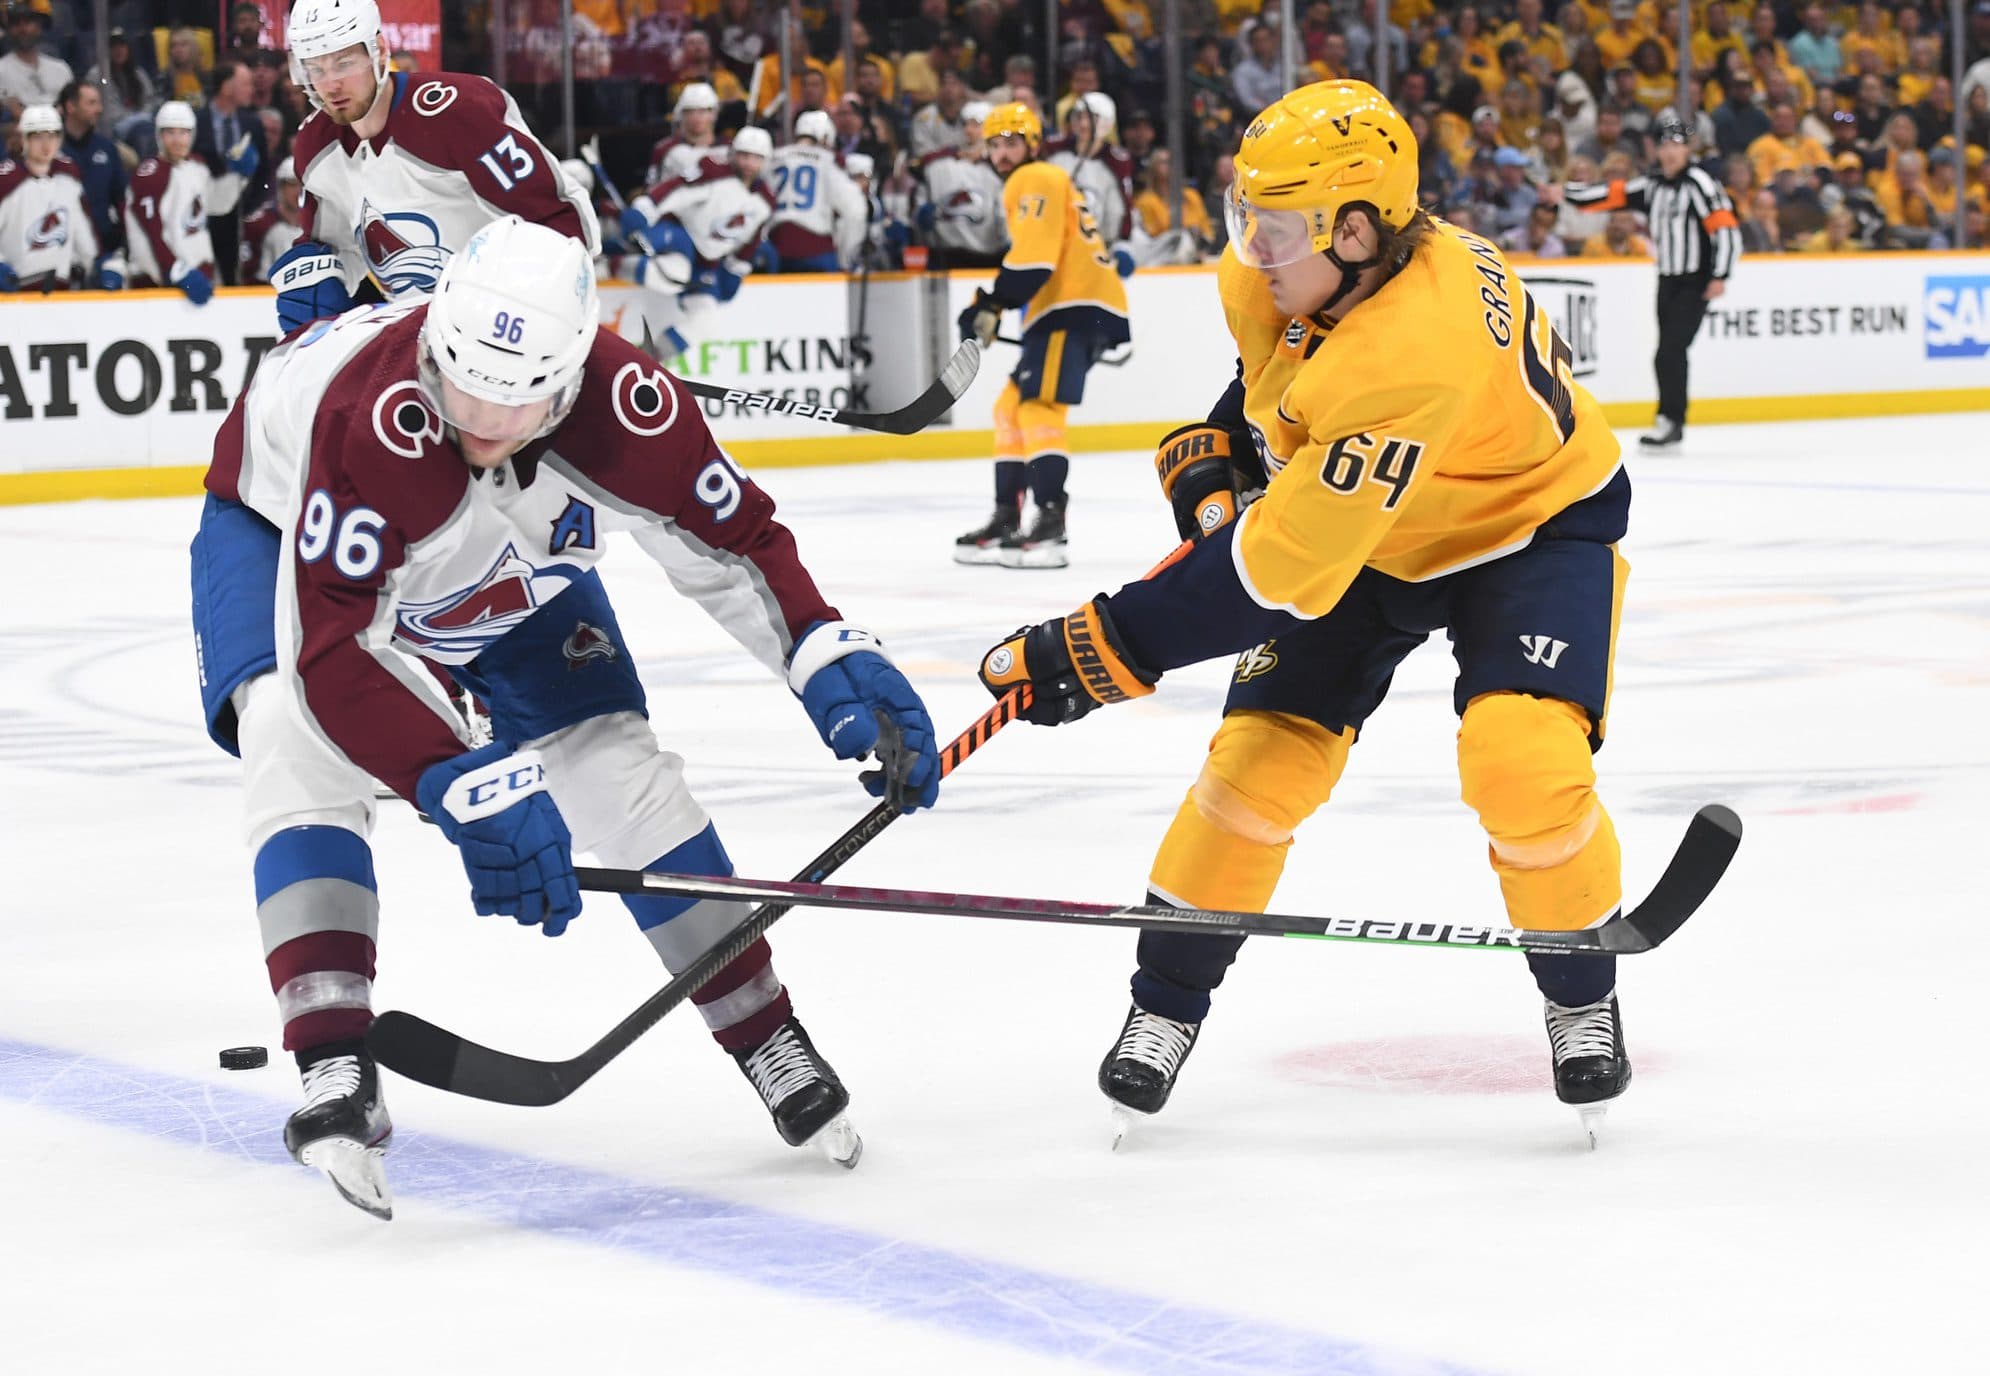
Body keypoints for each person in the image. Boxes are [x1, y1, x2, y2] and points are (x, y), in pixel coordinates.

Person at [191, 215, 941, 1217]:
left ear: (573, 372)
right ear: (434, 346)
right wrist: (459, 779)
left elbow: (738, 543)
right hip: (275, 517)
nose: (484, 426)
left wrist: (820, 648)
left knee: (617, 768)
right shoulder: (371, 420)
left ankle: (764, 1031)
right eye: (463, 391)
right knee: (288, 730)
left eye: (518, 402)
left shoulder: (628, 405)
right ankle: (332, 1057)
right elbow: (338, 655)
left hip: (497, 566)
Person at [974, 79, 1640, 1147]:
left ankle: (1577, 989)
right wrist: (1218, 459)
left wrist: (1106, 646)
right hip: (1374, 527)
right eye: (1245, 215)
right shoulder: (1297, 276)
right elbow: (1279, 396)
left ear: (1358, 227)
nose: (1249, 245)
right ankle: (1164, 1004)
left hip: (1526, 524)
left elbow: (1275, 569)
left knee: (1521, 762)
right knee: (1252, 772)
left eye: (1272, 226)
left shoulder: (1410, 349)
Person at [270, 0, 598, 334]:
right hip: (410, 336)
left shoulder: (458, 112)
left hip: (503, 328)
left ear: (379, 51)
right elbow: (330, 247)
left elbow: (562, 218)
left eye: (343, 63)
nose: (331, 85)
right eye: (316, 69)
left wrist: (541, 307)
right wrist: (315, 278)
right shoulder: (316, 146)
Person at [952, 102, 1131, 570]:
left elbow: (1034, 260)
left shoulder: (1032, 179)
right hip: (1070, 307)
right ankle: (1007, 516)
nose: (1003, 152)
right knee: (1009, 407)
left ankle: (1051, 520)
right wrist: (995, 302)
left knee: (1037, 407)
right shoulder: (1045, 181)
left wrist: (992, 303)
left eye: (1012, 141)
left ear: (1032, 144)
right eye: (994, 144)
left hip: (1071, 307)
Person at [1550, 108, 1740, 448]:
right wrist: (1566, 193)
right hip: (1666, 279)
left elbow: (1725, 229)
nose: (1669, 152)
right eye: (1664, 145)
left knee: (1670, 350)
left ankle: (1671, 420)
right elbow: (1609, 195)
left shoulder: (1699, 184)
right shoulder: (1652, 184)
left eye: (1676, 145)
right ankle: (1669, 419)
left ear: (1687, 150)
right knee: (1667, 351)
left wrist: (1720, 274)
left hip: (1694, 280)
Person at [616, 125, 776, 361]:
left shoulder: (765, 201)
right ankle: (607, 265)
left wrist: (736, 268)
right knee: (674, 272)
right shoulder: (713, 170)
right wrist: (647, 207)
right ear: (733, 153)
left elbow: (750, 239)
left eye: (756, 158)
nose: (748, 163)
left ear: (766, 160)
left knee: (705, 320)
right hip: (680, 236)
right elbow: (677, 189)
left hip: (707, 261)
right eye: (744, 155)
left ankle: (648, 358)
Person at [0, 103, 120, 292]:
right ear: (24, 140)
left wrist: (97, 262)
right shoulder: (6, 180)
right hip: (14, 294)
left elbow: (82, 230)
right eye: (38, 137)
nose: (46, 145)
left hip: (60, 291)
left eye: (52, 136)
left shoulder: (68, 175)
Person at [124, 101, 219, 303]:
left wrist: (239, 177)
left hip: (199, 276)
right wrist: (177, 271)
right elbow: (152, 232)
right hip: (159, 283)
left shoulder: (198, 167)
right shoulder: (150, 175)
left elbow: (219, 205)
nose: (177, 140)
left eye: (183, 133)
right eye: (170, 133)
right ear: (159, 136)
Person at [762, 108, 867, 272]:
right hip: (817, 249)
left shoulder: (772, 158)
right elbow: (856, 210)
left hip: (775, 249)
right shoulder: (827, 161)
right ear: (825, 138)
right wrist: (846, 258)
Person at [916, 100, 1007, 269]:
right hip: (947, 256)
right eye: (965, 124)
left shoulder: (1003, 168)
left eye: (976, 125)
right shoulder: (940, 164)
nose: (968, 130)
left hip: (988, 256)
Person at [56, 80, 125, 258]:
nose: (99, 109)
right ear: (71, 106)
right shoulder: (50, 150)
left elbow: (122, 198)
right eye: (92, 103)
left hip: (104, 247)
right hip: (62, 248)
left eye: (99, 103)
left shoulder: (107, 148)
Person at [0, 4, 74, 122]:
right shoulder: (1, 70)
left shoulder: (61, 69)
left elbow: (73, 108)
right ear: (9, 30)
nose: (23, 29)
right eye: (16, 24)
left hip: (61, 134)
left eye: (28, 22)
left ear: (39, 27)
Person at [645, 80, 722, 187]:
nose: (696, 117)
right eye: (690, 111)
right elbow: (651, 189)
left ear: (713, 114)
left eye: (702, 111)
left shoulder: (728, 148)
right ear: (681, 115)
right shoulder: (663, 149)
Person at [241, 156, 306, 282]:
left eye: (303, 185)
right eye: (292, 184)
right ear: (281, 187)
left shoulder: (320, 225)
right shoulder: (258, 225)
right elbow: (247, 274)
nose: (299, 191)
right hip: (264, 297)